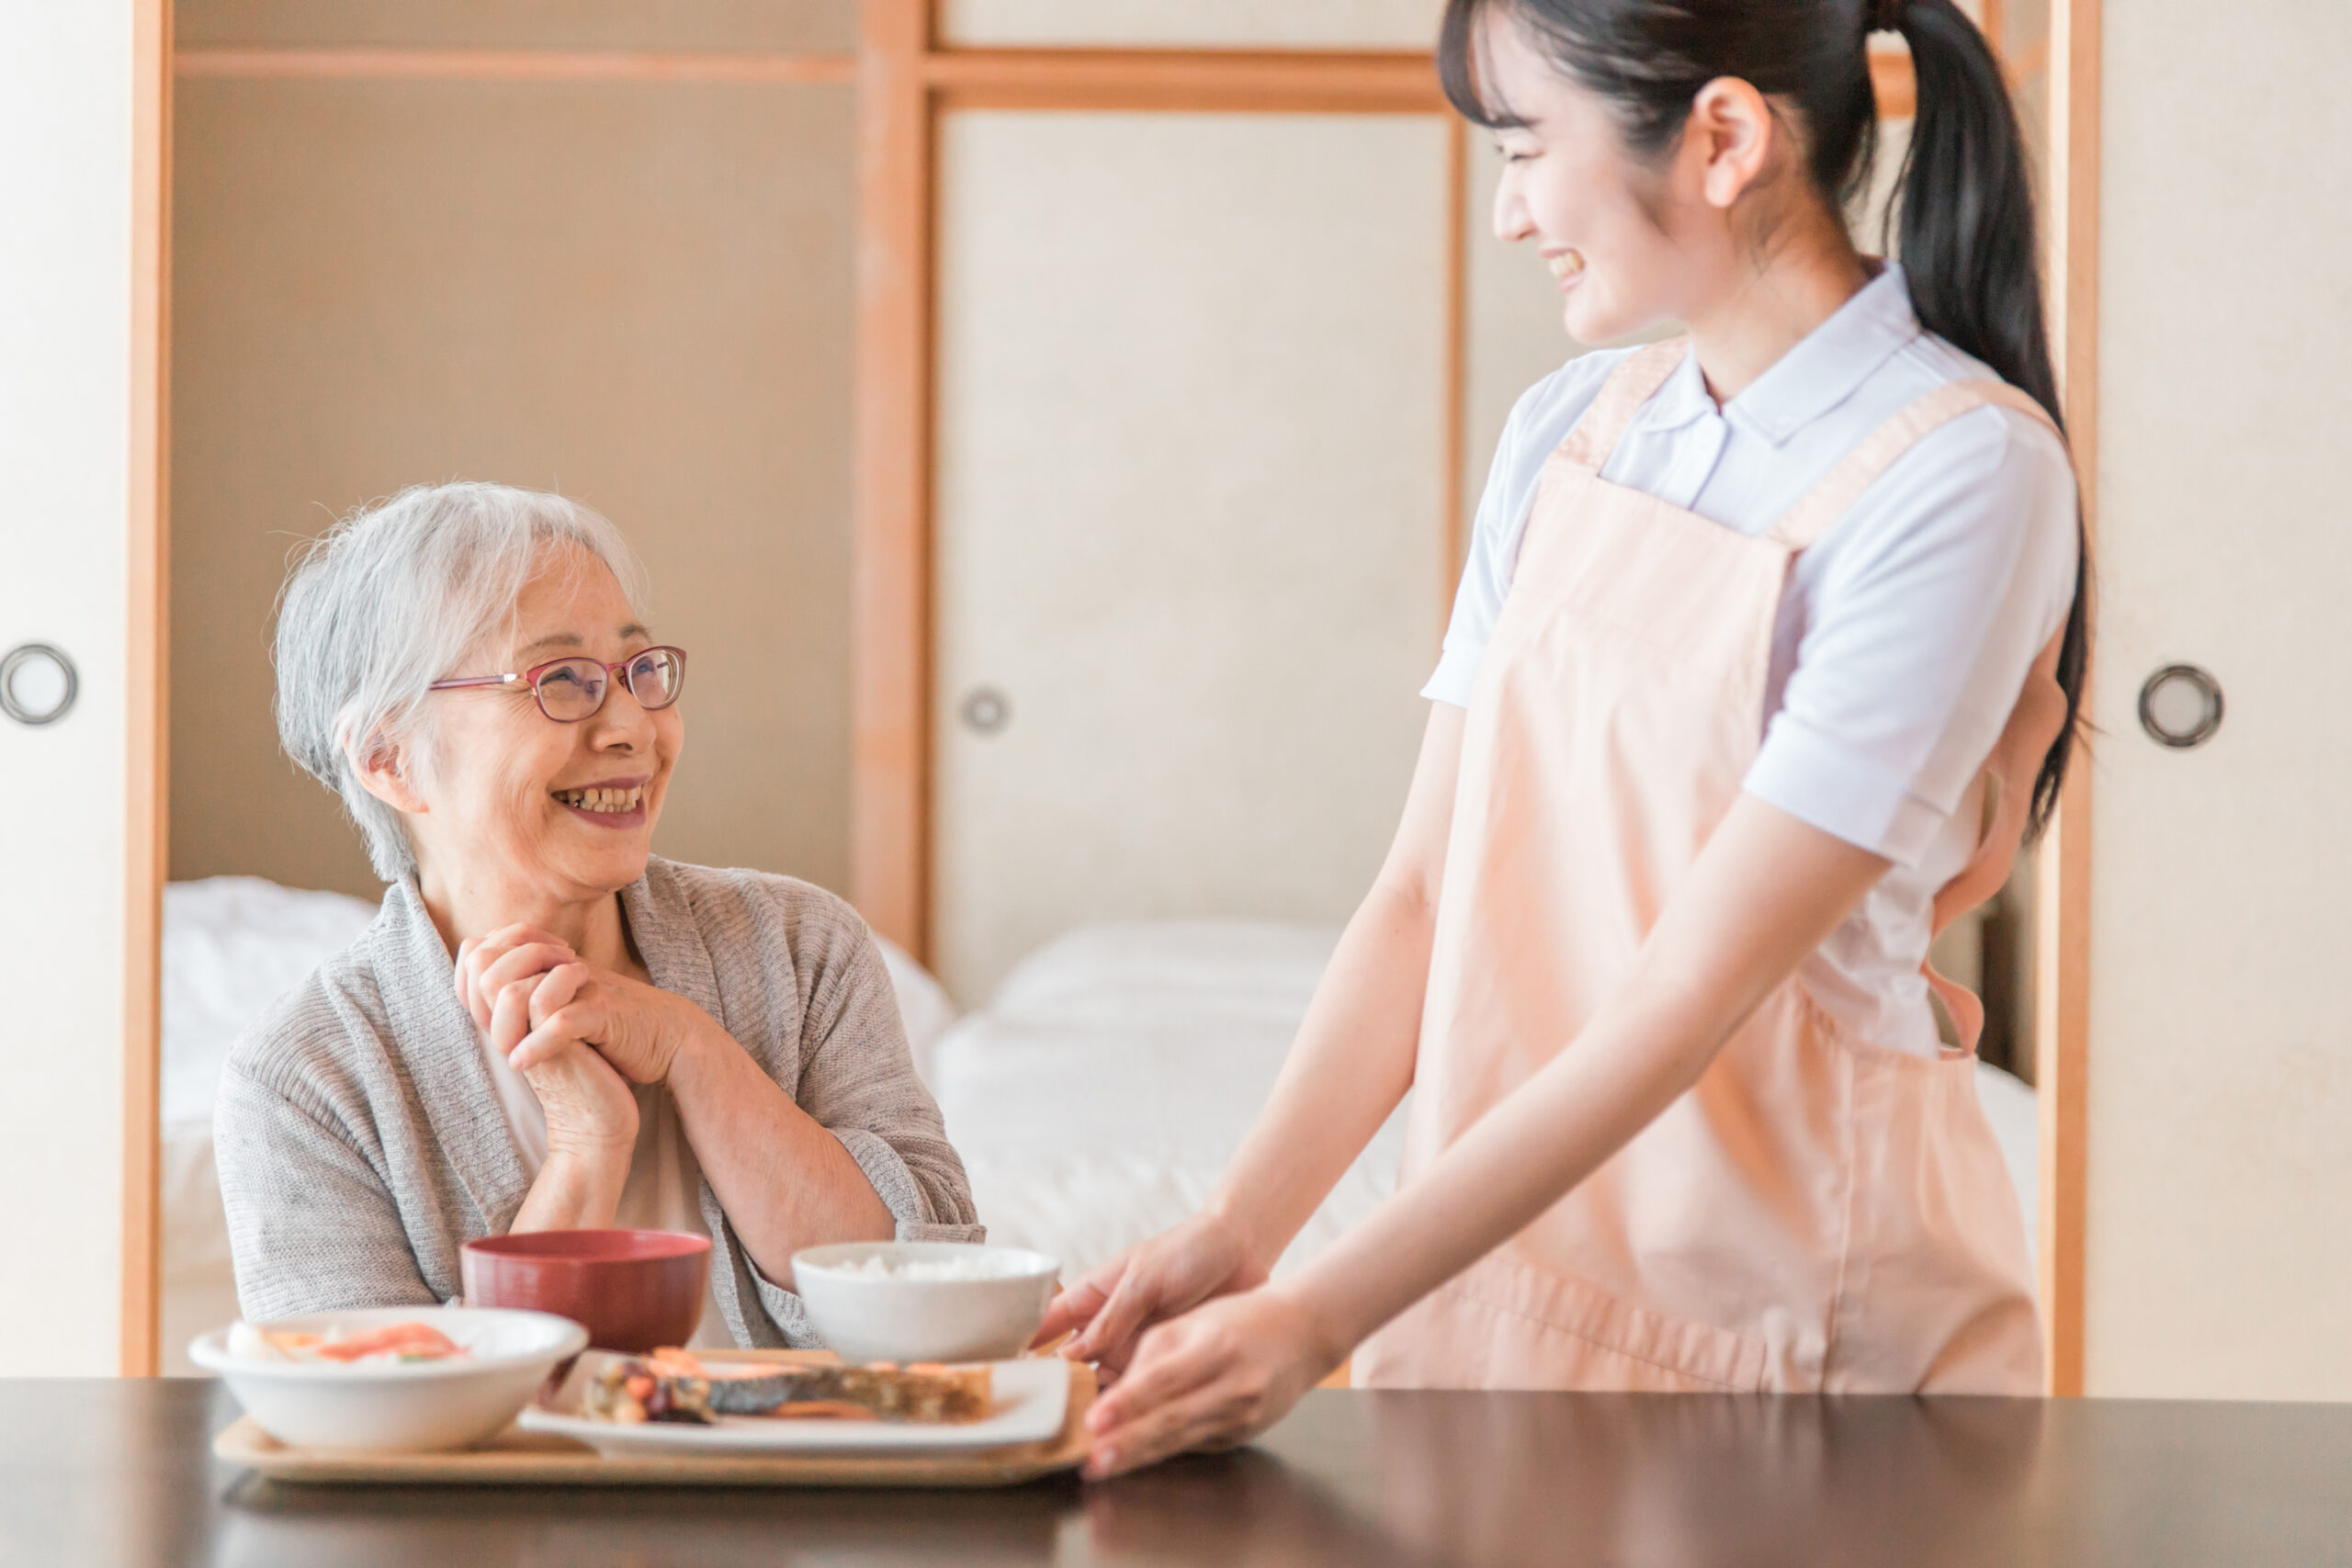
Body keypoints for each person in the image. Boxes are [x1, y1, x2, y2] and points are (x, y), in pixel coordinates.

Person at [1045, 0, 2086, 1476]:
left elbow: (1689, 990)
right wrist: (1239, 1235)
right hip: (1493, 1280)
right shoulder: (1571, 431)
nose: (1505, 212)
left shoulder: (1963, 475)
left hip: (1799, 1331)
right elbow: (1423, 893)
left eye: (1528, 147)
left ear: (1723, 138)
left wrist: (1318, 1313)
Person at [215, 482, 978, 1346]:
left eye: (638, 671)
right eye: (562, 681)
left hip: (802, 1482)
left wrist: (697, 1053)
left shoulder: (801, 948)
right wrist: (586, 1149)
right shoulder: (305, 1079)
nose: (634, 727)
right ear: (390, 758)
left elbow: (936, 1300)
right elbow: (369, 1418)